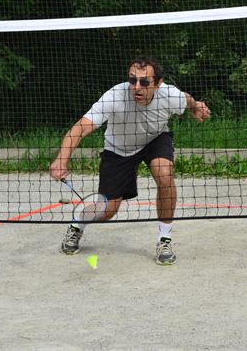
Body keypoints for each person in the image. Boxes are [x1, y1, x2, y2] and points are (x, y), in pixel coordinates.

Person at [49, 56, 210, 265]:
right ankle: (78, 224)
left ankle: (164, 239)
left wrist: (195, 105)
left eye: (144, 82)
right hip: (119, 150)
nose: (137, 87)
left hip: (155, 139)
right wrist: (61, 160)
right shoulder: (114, 97)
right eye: (132, 80)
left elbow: (186, 99)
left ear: (158, 83)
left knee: (164, 174)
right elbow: (80, 128)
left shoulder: (169, 95)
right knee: (106, 211)